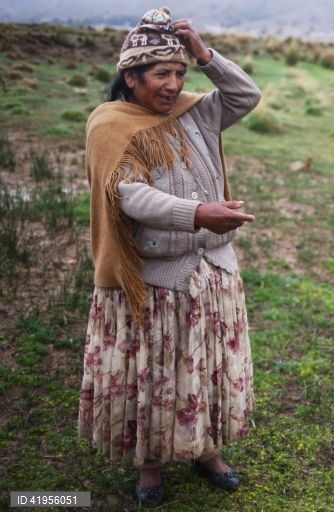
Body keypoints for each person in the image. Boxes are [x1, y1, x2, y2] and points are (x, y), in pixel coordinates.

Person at [78, 7, 261, 507]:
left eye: (180, 72)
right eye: (162, 73)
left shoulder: (195, 110)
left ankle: (207, 450)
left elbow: (246, 96)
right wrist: (197, 213)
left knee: (207, 368)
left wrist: (205, 55)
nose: (174, 84)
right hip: (157, 279)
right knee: (157, 375)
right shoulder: (111, 125)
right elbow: (129, 196)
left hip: (214, 270)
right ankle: (150, 463)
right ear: (131, 77)